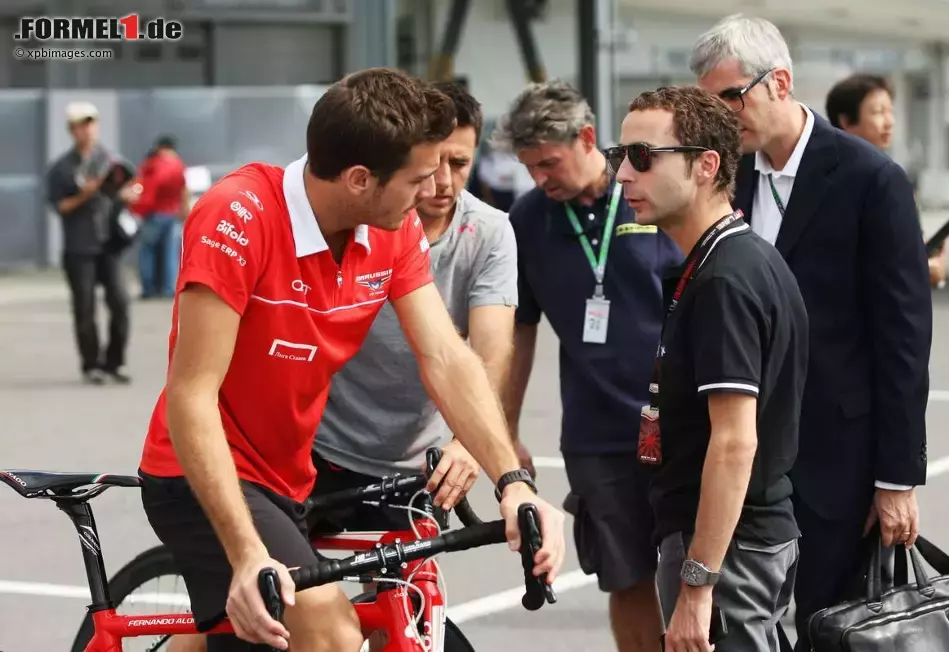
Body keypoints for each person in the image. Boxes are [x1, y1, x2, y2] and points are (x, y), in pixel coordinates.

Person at [137, 67, 565, 652]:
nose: (434, 189)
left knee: (251, 631)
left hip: (288, 477)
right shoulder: (239, 214)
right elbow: (192, 394)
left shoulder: (390, 227)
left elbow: (445, 355)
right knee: (329, 632)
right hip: (200, 472)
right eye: (418, 177)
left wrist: (511, 482)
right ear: (360, 178)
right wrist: (245, 551)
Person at [692, 15, 933, 649]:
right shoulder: (725, 177)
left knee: (831, 624)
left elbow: (903, 338)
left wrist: (896, 479)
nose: (719, 117)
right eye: (706, 103)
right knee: (745, 624)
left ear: (780, 83)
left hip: (839, 458)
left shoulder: (869, 180)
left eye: (730, 98)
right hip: (744, 452)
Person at [612, 84, 809, 652]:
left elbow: (733, 443)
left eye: (643, 158)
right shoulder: (735, 259)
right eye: (618, 157)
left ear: (706, 165)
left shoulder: (726, 277)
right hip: (743, 543)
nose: (624, 174)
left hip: (729, 551)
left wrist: (698, 584)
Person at [495, 79, 684, 652]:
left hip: (682, 422)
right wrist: (506, 431)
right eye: (529, 168)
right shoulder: (527, 221)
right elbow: (518, 331)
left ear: (587, 139)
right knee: (626, 577)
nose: (540, 179)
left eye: (549, 163)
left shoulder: (649, 196)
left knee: (699, 571)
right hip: (597, 435)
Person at [311, 79, 529, 528]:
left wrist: (471, 441)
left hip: (415, 459)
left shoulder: (489, 232)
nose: (443, 182)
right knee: (299, 589)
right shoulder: (370, 214)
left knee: (405, 595)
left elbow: (482, 354)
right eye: (431, 166)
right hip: (321, 446)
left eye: (460, 163)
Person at [825, 73, 948, 288]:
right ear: (846, 120)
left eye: (890, 111)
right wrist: (919, 268)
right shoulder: (833, 179)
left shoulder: (889, 174)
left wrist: (916, 252)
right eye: (878, 112)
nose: (889, 122)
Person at [45, 101, 131, 385]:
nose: (88, 129)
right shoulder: (61, 168)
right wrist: (86, 193)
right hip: (79, 246)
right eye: (82, 125)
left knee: (120, 302)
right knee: (84, 308)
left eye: (91, 123)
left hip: (110, 244)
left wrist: (130, 194)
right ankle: (91, 365)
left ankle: (114, 362)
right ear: (72, 130)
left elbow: (129, 188)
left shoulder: (111, 160)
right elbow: (60, 206)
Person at [130, 134, 189, 299]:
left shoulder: (152, 164)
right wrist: (184, 210)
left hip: (154, 214)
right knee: (170, 254)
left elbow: (142, 188)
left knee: (147, 252)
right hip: (173, 215)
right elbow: (184, 190)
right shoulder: (179, 165)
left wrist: (137, 209)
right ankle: (168, 289)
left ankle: (148, 289)